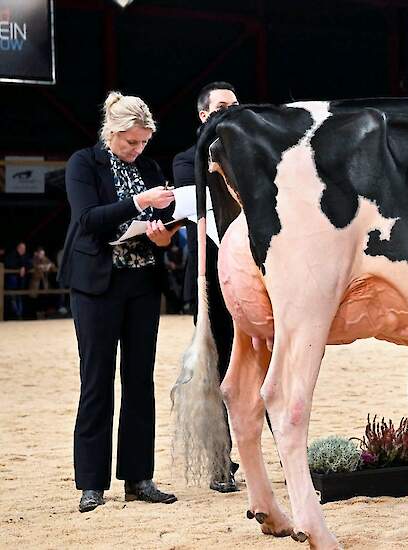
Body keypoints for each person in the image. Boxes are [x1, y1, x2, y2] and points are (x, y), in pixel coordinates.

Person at [59, 92, 180, 513]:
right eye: (130, 142)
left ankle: (138, 477)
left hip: (143, 281)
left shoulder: (149, 167)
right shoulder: (83, 163)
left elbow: (160, 225)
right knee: (96, 381)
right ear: (111, 132)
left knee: (139, 381)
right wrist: (139, 202)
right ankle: (91, 483)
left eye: (143, 142)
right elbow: (88, 219)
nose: (137, 149)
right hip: (96, 285)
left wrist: (163, 235)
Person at [171, 81, 241, 491]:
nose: (230, 111)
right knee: (216, 367)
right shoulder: (186, 160)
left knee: (264, 361)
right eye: (221, 107)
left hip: (255, 276)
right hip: (210, 279)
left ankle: (286, 455)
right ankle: (220, 463)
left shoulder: (256, 156)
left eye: (235, 105)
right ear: (203, 116)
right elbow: (195, 202)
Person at [4, 241, 31, 319]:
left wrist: (24, 267)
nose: (23, 250)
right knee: (12, 299)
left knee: (19, 298)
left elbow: (30, 264)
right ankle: (17, 315)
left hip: (20, 283)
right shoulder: (12, 255)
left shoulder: (26, 256)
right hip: (12, 283)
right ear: (18, 248)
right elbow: (8, 263)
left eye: (24, 248)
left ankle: (19, 316)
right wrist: (20, 267)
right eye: (21, 248)